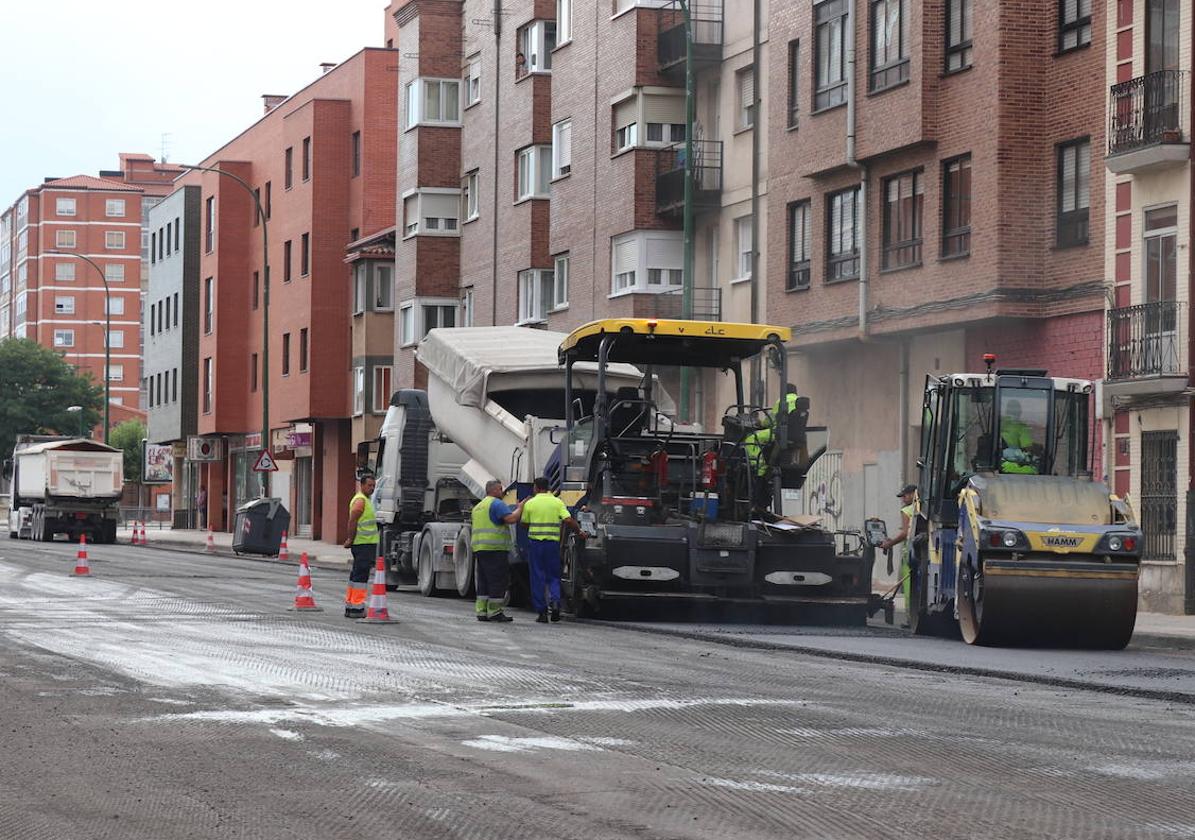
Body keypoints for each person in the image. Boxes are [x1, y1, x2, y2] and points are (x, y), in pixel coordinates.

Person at [521, 476, 587, 623]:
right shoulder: (557, 502)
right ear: (548, 487)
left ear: (536, 487)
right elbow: (568, 520)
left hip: (536, 545)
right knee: (553, 576)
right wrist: (579, 532)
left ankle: (542, 612)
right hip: (552, 545)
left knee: (537, 577)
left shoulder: (530, 503)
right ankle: (556, 602)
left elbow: (524, 523)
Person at [471, 479, 524, 623]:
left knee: (483, 580)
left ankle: (481, 611)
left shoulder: (479, 506)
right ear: (494, 490)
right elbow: (511, 519)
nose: (502, 492)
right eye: (500, 489)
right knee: (498, 581)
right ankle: (494, 611)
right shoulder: (497, 504)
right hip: (495, 549)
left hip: (480, 548)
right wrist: (520, 507)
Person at [341, 472, 379, 618]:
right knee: (361, 577)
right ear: (361, 485)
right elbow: (352, 521)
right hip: (363, 544)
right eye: (369, 485)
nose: (372, 488)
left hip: (364, 544)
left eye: (374, 486)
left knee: (355, 575)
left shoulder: (365, 500)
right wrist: (350, 539)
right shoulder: (360, 501)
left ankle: (350, 606)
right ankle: (357, 608)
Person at [880, 484, 918, 623]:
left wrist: (889, 543)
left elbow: (905, 533)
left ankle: (910, 619)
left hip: (910, 553)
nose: (903, 499)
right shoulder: (922, 509)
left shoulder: (907, 510)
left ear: (914, 493)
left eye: (905, 495)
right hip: (921, 552)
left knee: (908, 588)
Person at [999, 399, 1039, 475]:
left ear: (1007, 411)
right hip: (1018, 472)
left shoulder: (998, 423)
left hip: (999, 467)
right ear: (1020, 412)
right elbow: (1028, 448)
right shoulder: (1022, 428)